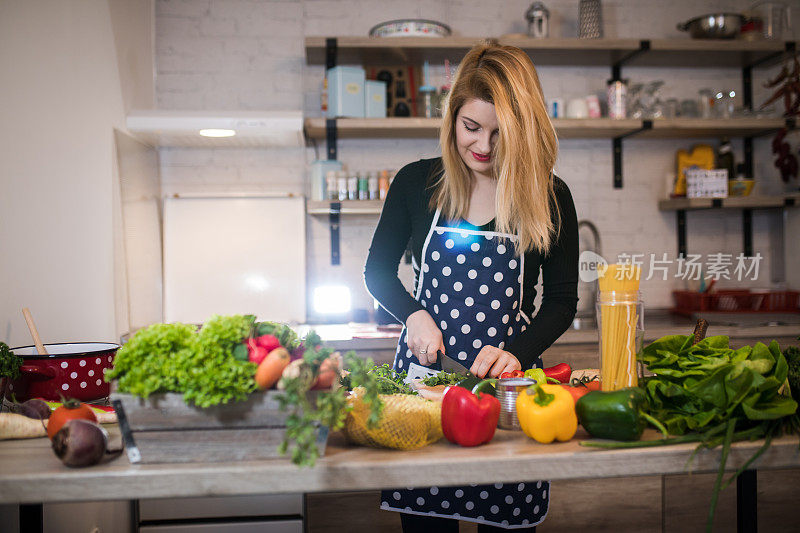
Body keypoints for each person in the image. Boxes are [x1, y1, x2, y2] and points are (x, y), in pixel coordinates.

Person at [363, 41, 578, 532]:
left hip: (506, 389)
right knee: (427, 517)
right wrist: (415, 315)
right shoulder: (418, 183)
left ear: (525, 131)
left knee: (504, 513)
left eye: (501, 133)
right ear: (452, 119)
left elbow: (562, 302)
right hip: (424, 383)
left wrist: (517, 353)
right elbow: (377, 271)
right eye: (471, 127)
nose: (483, 146)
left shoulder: (550, 195)